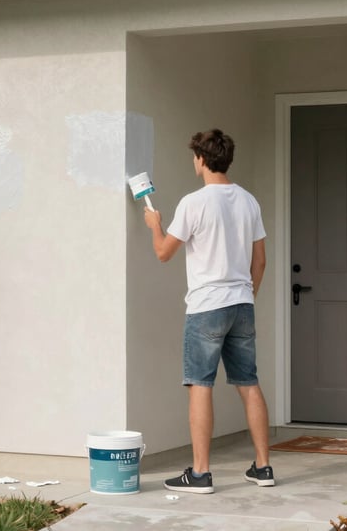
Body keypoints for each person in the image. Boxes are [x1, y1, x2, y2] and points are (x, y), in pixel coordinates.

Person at [143, 129, 274, 494]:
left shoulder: (194, 202)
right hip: (242, 303)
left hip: (206, 308)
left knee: (200, 385)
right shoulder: (249, 201)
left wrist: (155, 226)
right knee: (248, 383)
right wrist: (246, 296)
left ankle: (200, 473)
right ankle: (263, 467)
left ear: (201, 159)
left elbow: (163, 253)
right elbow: (260, 261)